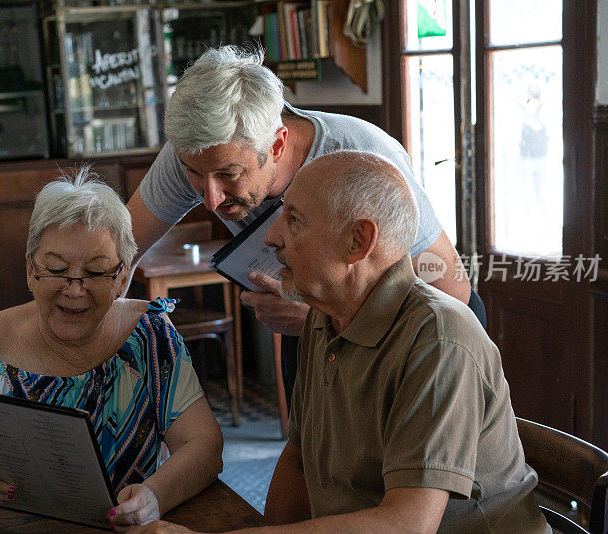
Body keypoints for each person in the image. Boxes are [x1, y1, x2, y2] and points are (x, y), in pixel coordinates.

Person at [127, 152, 547, 534]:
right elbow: (298, 457)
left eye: (294, 219)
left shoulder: (439, 341)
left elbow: (406, 525)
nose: (271, 237)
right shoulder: (323, 317)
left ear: (358, 241)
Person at [126, 45, 482, 407]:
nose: (211, 200)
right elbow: (119, 251)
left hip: (425, 332)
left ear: (277, 144)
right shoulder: (195, 152)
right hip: (310, 319)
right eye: (195, 175)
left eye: (229, 175)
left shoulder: (361, 156)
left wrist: (323, 315)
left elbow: (452, 293)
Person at [0, 167, 223, 530]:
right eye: (56, 269)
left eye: (97, 272)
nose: (74, 289)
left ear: (122, 277)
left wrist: (155, 495)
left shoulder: (148, 337)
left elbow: (205, 445)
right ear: (29, 271)